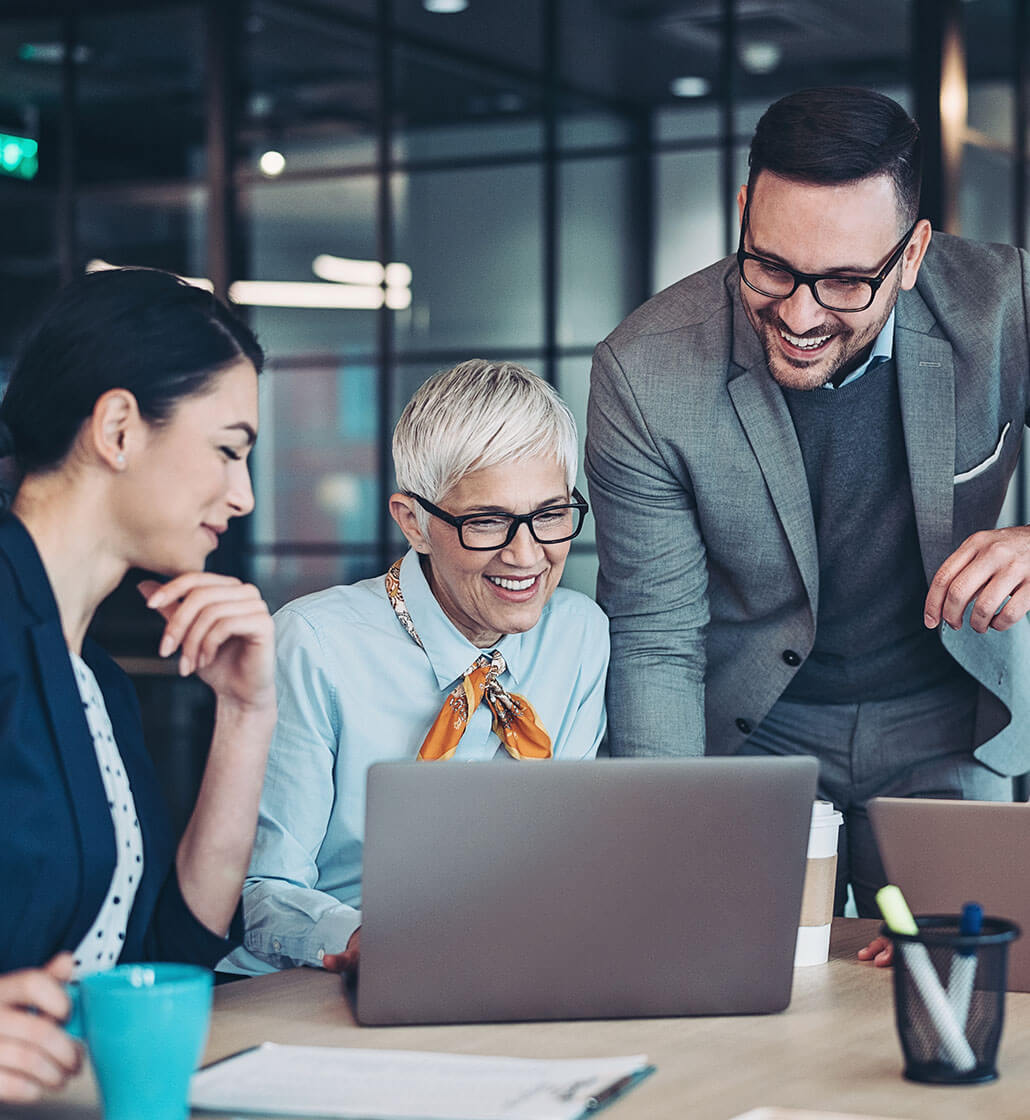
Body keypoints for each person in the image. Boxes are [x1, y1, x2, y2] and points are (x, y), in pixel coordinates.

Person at [586, 86, 1029, 922]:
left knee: (966, 998)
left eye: (845, 283)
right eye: (773, 266)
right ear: (745, 208)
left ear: (911, 253)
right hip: (757, 735)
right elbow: (656, 639)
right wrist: (664, 842)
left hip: (951, 722)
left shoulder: (1005, 304)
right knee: (733, 985)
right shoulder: (644, 374)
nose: (798, 314)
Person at [219, 359, 609, 977]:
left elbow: (562, 856)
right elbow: (261, 893)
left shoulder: (579, 635)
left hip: (501, 971)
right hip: (313, 980)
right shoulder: (314, 643)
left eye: (551, 515)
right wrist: (364, 939)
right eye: (486, 522)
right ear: (414, 522)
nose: (528, 554)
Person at [0, 268, 276, 1102]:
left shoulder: (96, 685)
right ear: (118, 428)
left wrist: (246, 711)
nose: (243, 495)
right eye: (228, 450)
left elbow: (161, 962)